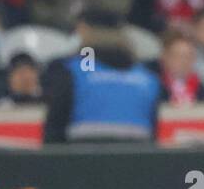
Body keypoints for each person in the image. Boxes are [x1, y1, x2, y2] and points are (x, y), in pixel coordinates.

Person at [40, 9, 161, 143]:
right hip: (137, 159)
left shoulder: (72, 71)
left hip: (82, 158)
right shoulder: (147, 78)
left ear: (83, 29)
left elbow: (54, 132)